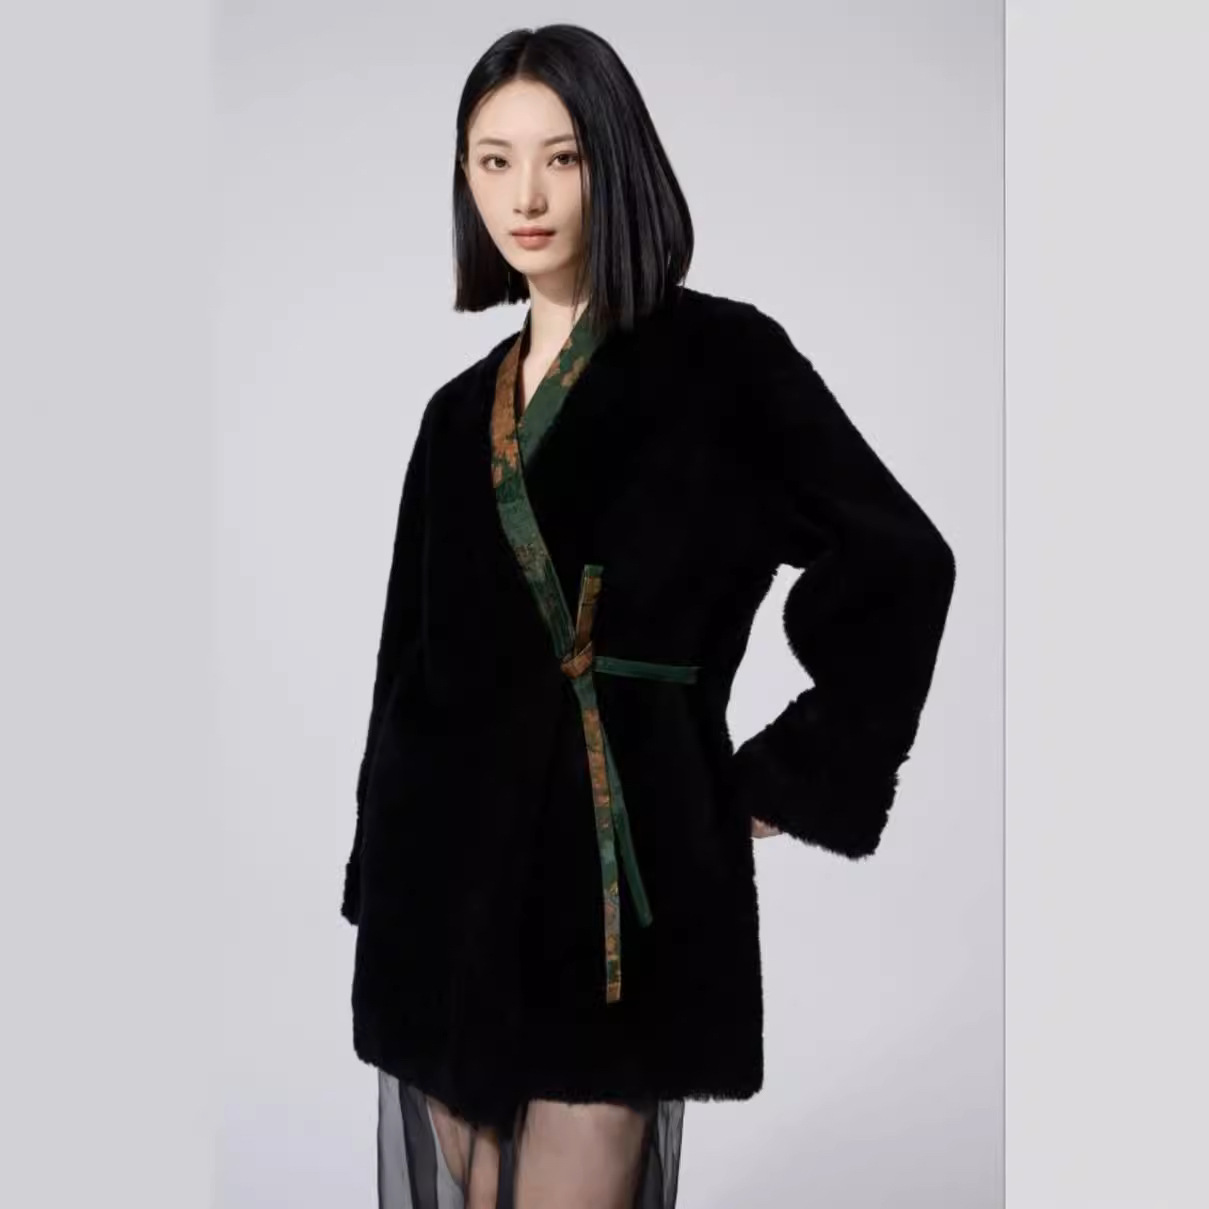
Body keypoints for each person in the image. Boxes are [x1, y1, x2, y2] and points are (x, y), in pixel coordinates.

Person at [341, 23, 957, 1209]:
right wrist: (383, 877)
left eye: (561, 158)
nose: (525, 196)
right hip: (442, 888)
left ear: (613, 162)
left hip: (613, 886)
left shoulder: (726, 361)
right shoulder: (455, 413)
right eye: (493, 161)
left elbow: (900, 560)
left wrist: (788, 778)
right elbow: (403, 664)